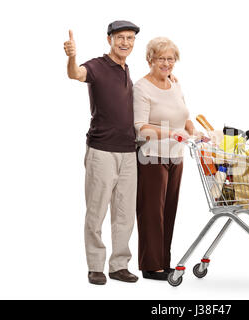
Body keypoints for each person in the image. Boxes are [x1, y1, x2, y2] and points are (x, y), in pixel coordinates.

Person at [63, 20, 141, 285]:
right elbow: (75, 74)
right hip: (101, 151)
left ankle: (119, 265)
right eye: (120, 37)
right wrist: (72, 57)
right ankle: (95, 265)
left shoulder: (126, 70)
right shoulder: (97, 65)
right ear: (109, 39)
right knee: (96, 211)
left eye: (130, 38)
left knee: (125, 213)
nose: (125, 43)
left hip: (129, 152)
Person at [133, 37, 204, 280]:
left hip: (176, 155)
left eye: (170, 59)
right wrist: (171, 133)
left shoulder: (175, 84)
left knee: (169, 210)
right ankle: (151, 266)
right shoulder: (142, 88)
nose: (166, 63)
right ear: (150, 59)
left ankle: (164, 262)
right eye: (161, 58)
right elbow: (140, 127)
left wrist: (192, 130)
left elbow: (183, 115)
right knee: (152, 211)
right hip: (152, 156)